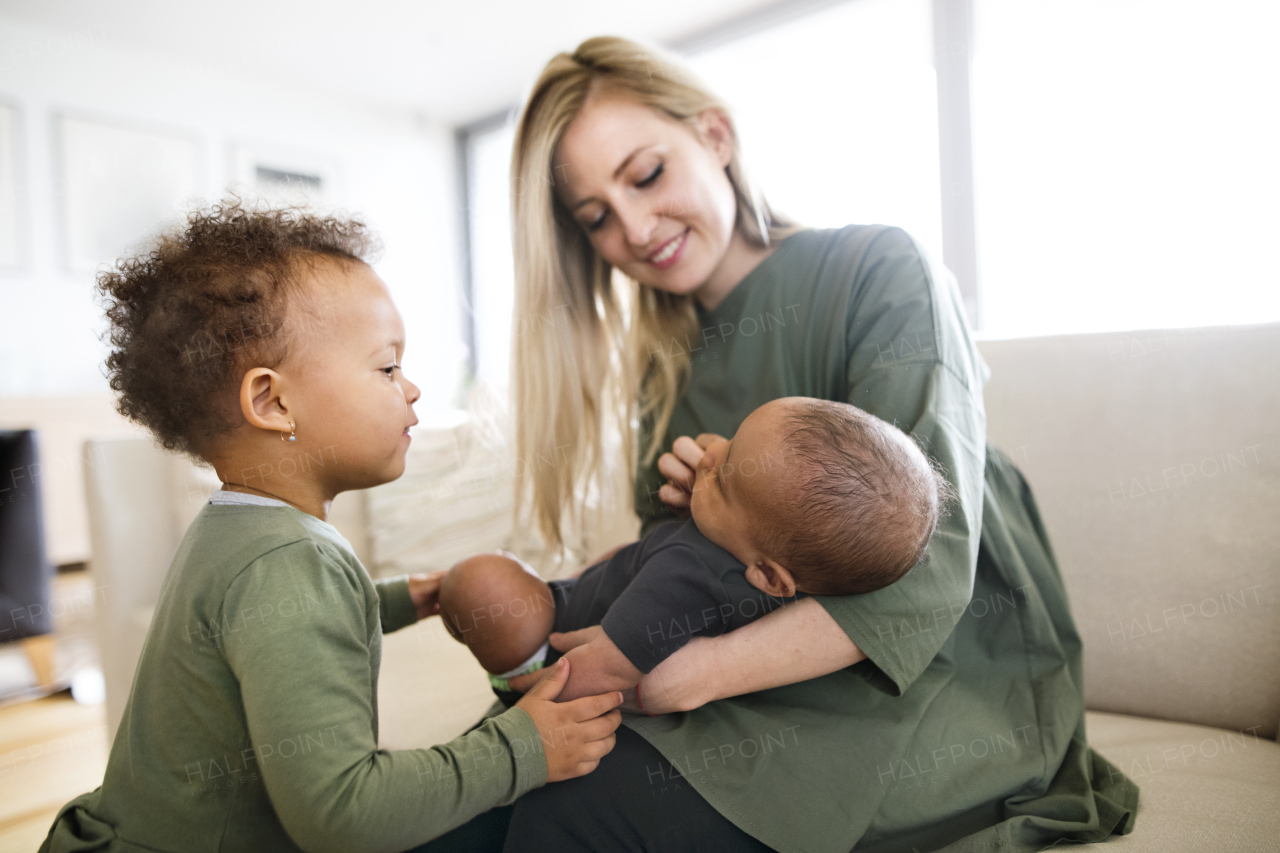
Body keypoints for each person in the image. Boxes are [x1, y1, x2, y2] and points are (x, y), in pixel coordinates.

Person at [465, 36, 1139, 853]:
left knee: (577, 807)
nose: (636, 229)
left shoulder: (878, 268)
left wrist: (696, 675)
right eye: (597, 217)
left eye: (646, 175)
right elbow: (675, 577)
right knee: (472, 789)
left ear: (714, 137)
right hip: (729, 657)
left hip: (928, 675)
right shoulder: (661, 374)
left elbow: (925, 566)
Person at [37, 200, 623, 853]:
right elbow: (346, 814)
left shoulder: (236, 531)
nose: (413, 388)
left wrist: (408, 597)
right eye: (386, 366)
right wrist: (524, 750)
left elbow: (282, 626)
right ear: (273, 400)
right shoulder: (286, 558)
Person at [438, 397, 952, 704]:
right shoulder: (746, 552)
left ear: (769, 576)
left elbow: (612, 671)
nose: (709, 455)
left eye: (723, 478)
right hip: (584, 597)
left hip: (552, 643)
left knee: (480, 581)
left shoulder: (687, 581)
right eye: (731, 445)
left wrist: (533, 695)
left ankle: (481, 633)